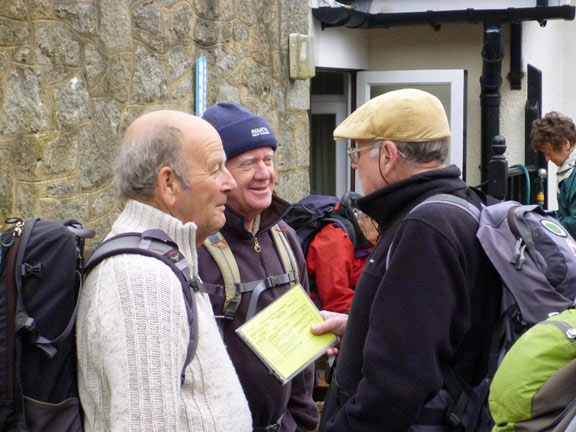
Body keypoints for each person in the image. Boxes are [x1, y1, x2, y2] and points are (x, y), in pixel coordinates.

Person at [310, 89, 502, 431]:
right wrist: (357, 329)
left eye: (357, 152)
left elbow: (395, 389)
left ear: (388, 155)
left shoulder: (423, 228)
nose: (353, 164)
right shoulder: (458, 207)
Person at [76, 110, 252, 431]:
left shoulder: (163, 260)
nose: (230, 182)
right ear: (168, 183)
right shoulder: (142, 279)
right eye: (215, 168)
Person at [197, 102, 319, 432]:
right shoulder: (198, 248)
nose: (264, 173)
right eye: (248, 163)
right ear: (219, 173)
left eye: (268, 160)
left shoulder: (285, 237)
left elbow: (301, 345)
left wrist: (303, 421)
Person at [306, 194, 378, 313]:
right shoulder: (335, 239)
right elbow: (336, 301)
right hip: (321, 313)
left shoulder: (368, 238)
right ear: (366, 217)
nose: (384, 234)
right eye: (380, 228)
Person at [530, 111, 576, 237]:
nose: (547, 159)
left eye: (549, 152)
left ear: (566, 144)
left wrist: (545, 225)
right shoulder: (568, 169)